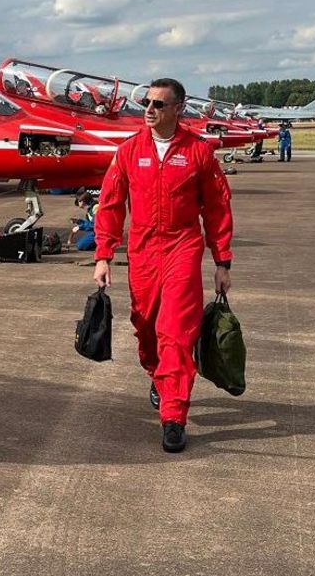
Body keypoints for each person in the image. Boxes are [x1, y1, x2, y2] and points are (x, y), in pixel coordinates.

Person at [92, 77, 234, 453]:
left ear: (178, 109)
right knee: (146, 326)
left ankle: (173, 416)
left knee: (175, 332)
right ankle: (159, 376)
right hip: (141, 251)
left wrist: (222, 261)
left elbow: (217, 208)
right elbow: (109, 204)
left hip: (183, 248)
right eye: (146, 104)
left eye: (158, 104)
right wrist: (104, 254)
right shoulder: (128, 151)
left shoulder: (198, 152)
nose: (149, 111)